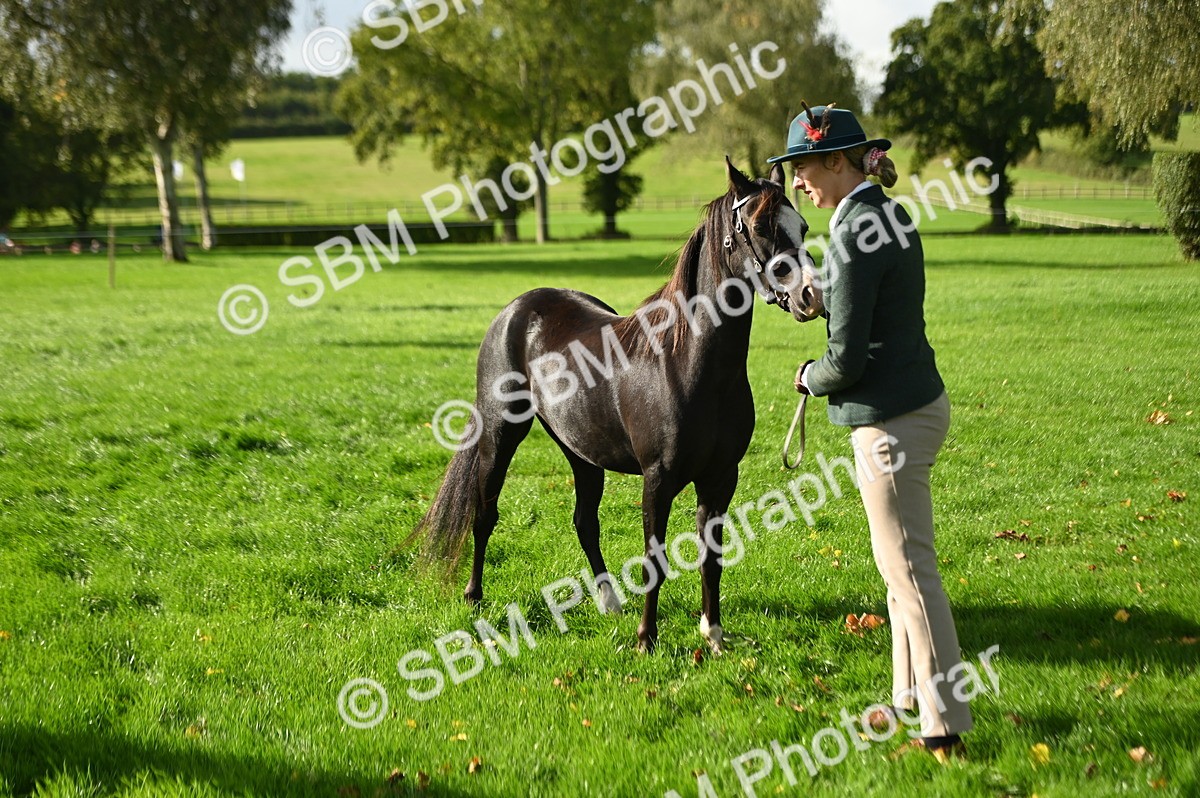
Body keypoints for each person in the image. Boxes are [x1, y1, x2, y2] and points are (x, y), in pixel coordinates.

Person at [768, 103, 972, 762]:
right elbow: (876, 295)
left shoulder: (853, 231)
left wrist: (808, 375)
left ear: (836, 160)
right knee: (899, 570)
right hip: (920, 404)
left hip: (889, 422)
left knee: (911, 576)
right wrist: (827, 296)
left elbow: (846, 363)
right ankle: (908, 698)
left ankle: (944, 731)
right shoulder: (886, 215)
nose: (797, 182)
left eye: (801, 168)